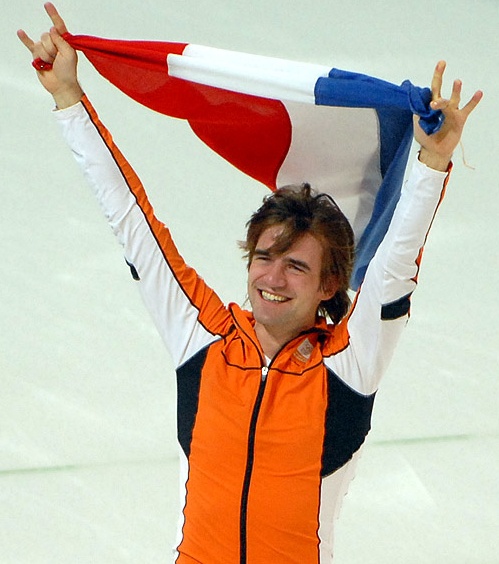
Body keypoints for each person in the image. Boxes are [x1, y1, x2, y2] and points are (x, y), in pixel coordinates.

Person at [18, 4, 482, 563]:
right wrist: (69, 98)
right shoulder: (201, 336)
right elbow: (132, 222)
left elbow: (395, 264)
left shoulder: (350, 363)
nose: (273, 278)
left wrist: (431, 162)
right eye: (264, 257)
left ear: (330, 283)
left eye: (297, 266)